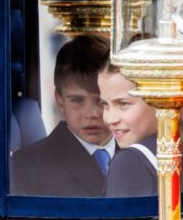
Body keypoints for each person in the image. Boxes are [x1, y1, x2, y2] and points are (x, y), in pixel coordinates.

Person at [10, 35, 114, 197]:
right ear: (59, 101)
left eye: (101, 101)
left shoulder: (144, 156)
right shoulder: (27, 166)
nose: (92, 114)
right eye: (77, 100)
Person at [99, 58, 183, 197]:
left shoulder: (131, 162)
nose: (110, 119)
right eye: (105, 104)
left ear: (162, 98)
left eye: (123, 104)